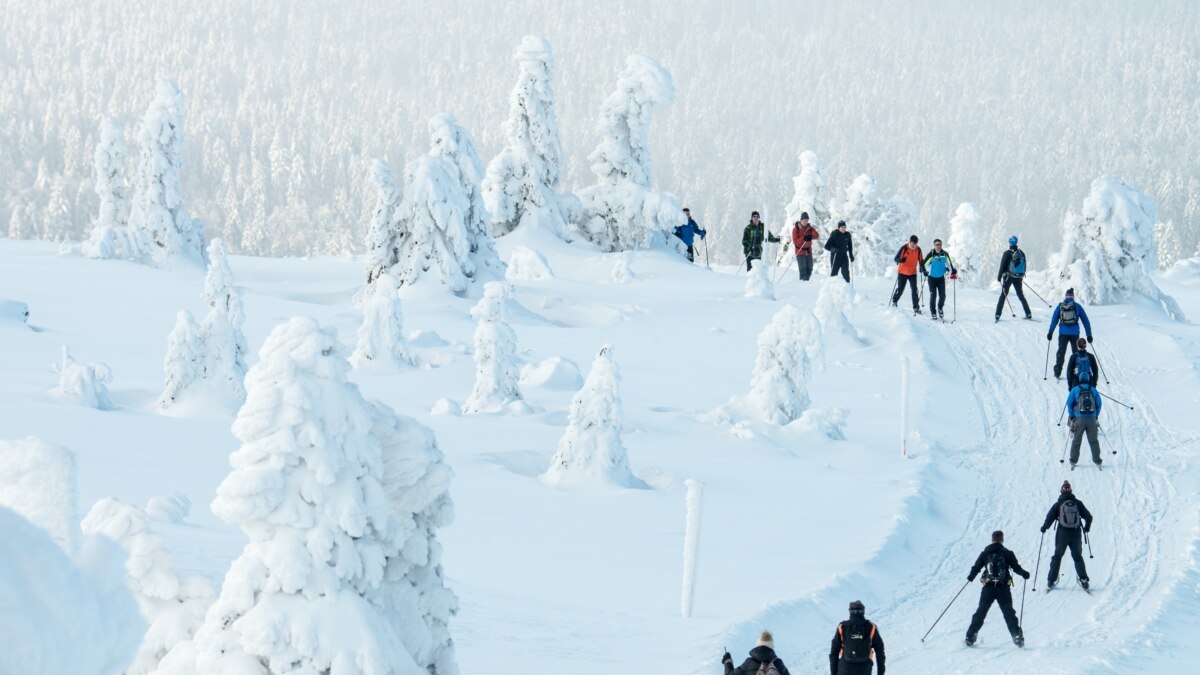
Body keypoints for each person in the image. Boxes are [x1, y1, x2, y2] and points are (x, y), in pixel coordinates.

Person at [964, 530, 1029, 648]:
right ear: (1002, 540)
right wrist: (1024, 574)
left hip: (988, 587)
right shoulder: (1007, 553)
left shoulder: (985, 553)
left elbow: (976, 566)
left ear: (992, 539)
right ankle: (1017, 636)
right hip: (1003, 588)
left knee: (981, 612)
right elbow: (1016, 567)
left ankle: (970, 636)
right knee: (1008, 613)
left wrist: (971, 576)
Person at [1040, 480, 1093, 590]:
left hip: (1062, 534)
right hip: (1076, 533)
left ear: (1061, 491)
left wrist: (1044, 527)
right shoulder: (1078, 503)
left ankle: (1051, 580)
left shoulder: (1058, 504)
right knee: (1077, 557)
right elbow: (1089, 517)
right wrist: (1086, 528)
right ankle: (1083, 580)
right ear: (1071, 491)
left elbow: (1050, 518)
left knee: (1057, 556)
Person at [1046, 288, 1094, 379]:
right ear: (1073, 297)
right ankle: (1076, 372)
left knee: (1061, 352)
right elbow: (1086, 321)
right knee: (1076, 353)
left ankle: (1057, 372)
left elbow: (1054, 320)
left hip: (1063, 333)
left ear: (1065, 296)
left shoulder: (1060, 306)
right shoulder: (1077, 306)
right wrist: (1089, 335)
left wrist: (1050, 332)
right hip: (1074, 334)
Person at [829, 600, 885, 675]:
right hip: (864, 670)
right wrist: (880, 672)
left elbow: (834, 652)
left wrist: (833, 672)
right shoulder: (871, 627)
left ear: (850, 612)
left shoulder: (842, 627)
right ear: (863, 611)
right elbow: (880, 652)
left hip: (844, 669)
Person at [994, 236, 1032, 322]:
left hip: (1008, 277)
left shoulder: (1007, 253)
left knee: (1003, 295)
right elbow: (1024, 265)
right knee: (1021, 295)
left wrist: (999, 277)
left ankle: (997, 315)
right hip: (1018, 277)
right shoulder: (1021, 253)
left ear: (1010, 243)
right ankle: (1028, 313)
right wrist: (1021, 275)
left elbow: (1002, 266)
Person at [1066, 381, 1103, 468]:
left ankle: (1073, 461)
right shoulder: (1093, 389)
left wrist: (1072, 416)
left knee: (1076, 441)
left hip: (1079, 419)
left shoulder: (1075, 389)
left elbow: (1069, 403)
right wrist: (1096, 415)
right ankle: (1097, 461)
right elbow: (1099, 404)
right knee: (1094, 441)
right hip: (1092, 419)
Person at [722, 630, 791, 675]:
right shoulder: (778, 663)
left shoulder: (749, 663)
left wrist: (727, 662)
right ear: (771, 646)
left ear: (758, 644)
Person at [922, 239, 957, 321]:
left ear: (941, 245)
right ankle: (933, 312)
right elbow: (923, 264)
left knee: (943, 296)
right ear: (934, 246)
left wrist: (952, 269)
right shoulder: (931, 254)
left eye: (939, 244)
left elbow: (949, 264)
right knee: (933, 295)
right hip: (932, 278)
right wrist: (924, 271)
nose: (938, 246)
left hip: (941, 278)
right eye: (936, 245)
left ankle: (940, 308)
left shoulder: (945, 254)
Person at [890, 235, 924, 314]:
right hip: (902, 272)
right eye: (912, 243)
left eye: (915, 243)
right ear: (910, 241)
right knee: (901, 289)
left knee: (914, 290)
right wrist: (901, 260)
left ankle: (916, 307)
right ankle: (894, 301)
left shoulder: (918, 250)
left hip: (912, 273)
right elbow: (896, 258)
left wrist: (923, 269)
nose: (913, 245)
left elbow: (921, 261)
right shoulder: (904, 248)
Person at [791, 212, 821, 281]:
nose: (805, 222)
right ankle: (802, 285)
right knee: (803, 270)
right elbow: (796, 241)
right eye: (804, 220)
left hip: (808, 251)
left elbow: (816, 235)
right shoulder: (796, 229)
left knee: (810, 268)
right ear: (801, 220)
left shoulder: (810, 228)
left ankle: (806, 282)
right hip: (800, 251)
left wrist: (810, 236)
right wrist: (804, 238)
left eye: (807, 220)